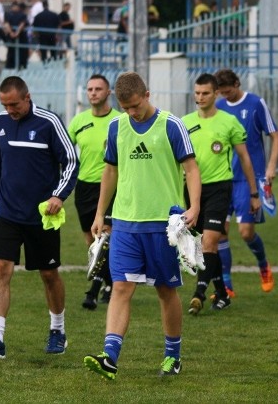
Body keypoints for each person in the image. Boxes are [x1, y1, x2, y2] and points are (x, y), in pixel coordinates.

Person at [83, 71, 201, 380]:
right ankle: (110, 356)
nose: (132, 113)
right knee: (121, 287)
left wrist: (195, 206)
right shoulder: (116, 127)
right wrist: (100, 214)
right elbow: (109, 172)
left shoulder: (172, 125)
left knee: (166, 291)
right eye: (126, 108)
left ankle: (172, 356)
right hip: (124, 224)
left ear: (146, 95)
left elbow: (191, 167)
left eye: (135, 106)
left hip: (163, 226)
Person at [0, 76, 78, 359]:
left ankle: (58, 330)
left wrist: (58, 195)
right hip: (7, 213)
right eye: (5, 105)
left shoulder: (49, 122)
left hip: (41, 216)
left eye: (14, 104)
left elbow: (70, 161)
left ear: (27, 97)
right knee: (1, 269)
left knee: (48, 274)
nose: (10, 110)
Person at [182, 73, 260, 315]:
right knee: (204, 247)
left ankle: (199, 294)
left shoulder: (229, 122)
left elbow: (245, 159)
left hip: (220, 188)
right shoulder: (184, 123)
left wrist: (254, 192)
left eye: (205, 93)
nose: (200, 97)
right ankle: (223, 294)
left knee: (210, 242)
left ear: (216, 94)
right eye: (197, 93)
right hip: (192, 190)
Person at [214, 69, 278, 294]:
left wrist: (271, 166)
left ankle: (263, 264)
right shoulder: (218, 107)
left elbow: (275, 136)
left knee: (245, 232)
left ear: (237, 83)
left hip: (248, 180)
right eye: (221, 93)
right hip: (223, 178)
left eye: (228, 91)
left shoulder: (255, 103)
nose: (226, 96)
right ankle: (226, 284)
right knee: (220, 232)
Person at [67, 75, 121, 310]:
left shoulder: (120, 120)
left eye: (98, 89)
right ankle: (112, 284)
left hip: (111, 187)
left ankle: (93, 291)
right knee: (91, 242)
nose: (93, 93)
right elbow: (66, 152)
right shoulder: (78, 121)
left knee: (104, 238)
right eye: (89, 89)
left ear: (108, 93)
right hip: (84, 187)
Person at [2, 1, 29, 70]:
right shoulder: (22, 14)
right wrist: (16, 33)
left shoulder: (8, 14)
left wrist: (11, 33)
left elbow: (6, 24)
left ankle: (11, 66)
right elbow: (22, 24)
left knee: (11, 52)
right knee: (20, 52)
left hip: (13, 37)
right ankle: (20, 66)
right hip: (20, 37)